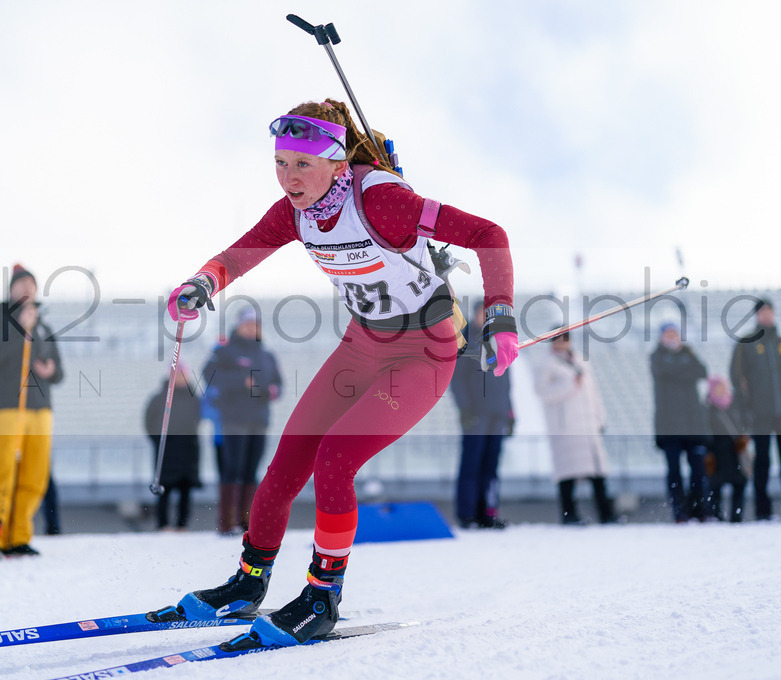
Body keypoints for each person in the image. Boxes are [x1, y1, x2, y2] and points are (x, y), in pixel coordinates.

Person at [147, 99, 517, 649]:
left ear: (337, 163)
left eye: (302, 164)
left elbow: (490, 234)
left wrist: (502, 316)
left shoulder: (385, 201)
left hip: (423, 353)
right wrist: (200, 285)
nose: (288, 177)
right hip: (362, 343)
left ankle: (323, 596)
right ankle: (249, 583)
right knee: (290, 457)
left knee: (336, 457)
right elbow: (239, 256)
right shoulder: (294, 212)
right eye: (280, 162)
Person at [0, 264, 64, 559]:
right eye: (21, 283)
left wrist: (50, 369)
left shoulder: (44, 325)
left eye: (31, 283)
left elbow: (59, 370)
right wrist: (19, 330)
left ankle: (18, 536)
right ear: (11, 288)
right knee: (2, 471)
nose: (26, 288)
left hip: (40, 407)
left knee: (35, 475)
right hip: (7, 405)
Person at [202, 307, 282, 534]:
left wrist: (270, 390)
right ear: (239, 325)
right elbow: (210, 376)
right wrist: (241, 381)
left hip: (259, 419)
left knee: (251, 470)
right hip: (234, 419)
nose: (251, 328)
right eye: (247, 324)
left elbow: (278, 384)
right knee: (232, 468)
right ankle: (226, 523)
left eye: (255, 324)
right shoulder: (226, 351)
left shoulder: (266, 355)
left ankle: (247, 521)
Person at [729, 298, 781, 520]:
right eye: (762, 312)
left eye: (769, 311)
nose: (767, 315)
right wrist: (746, 409)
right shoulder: (747, 343)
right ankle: (762, 511)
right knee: (762, 460)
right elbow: (738, 378)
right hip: (760, 414)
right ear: (757, 315)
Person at [534, 330, 617, 525]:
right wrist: (570, 384)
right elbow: (542, 392)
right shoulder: (547, 363)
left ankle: (606, 514)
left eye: (566, 339)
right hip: (566, 425)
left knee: (597, 474)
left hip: (587, 425)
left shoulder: (580, 360)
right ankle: (569, 515)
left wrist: (599, 418)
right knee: (567, 475)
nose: (563, 343)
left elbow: (592, 392)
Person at [449, 302, 514, 529]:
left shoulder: (498, 341)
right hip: (476, 414)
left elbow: (505, 379)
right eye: (482, 312)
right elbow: (456, 379)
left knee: (491, 466)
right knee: (472, 464)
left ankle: (488, 512)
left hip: (497, 413)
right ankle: (467, 514)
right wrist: (465, 409)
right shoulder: (465, 341)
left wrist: (510, 410)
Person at [650, 321, 710, 523]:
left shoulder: (689, 354)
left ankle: (699, 509)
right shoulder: (656, 356)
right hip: (669, 425)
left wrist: (680, 367)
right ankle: (679, 512)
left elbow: (702, 371)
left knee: (698, 470)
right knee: (674, 471)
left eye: (675, 333)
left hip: (693, 424)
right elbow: (666, 372)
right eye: (668, 334)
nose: (672, 337)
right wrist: (683, 368)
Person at [144, 362, 202, 531]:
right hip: (167, 449)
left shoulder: (193, 398)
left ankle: (182, 524)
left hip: (188, 448)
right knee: (164, 487)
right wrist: (158, 439)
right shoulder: (160, 397)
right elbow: (149, 420)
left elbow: (198, 418)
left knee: (186, 488)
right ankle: (163, 524)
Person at [703, 376, 749, 523]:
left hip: (734, 453)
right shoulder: (707, 410)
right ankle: (716, 516)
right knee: (715, 486)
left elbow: (744, 424)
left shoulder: (734, 406)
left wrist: (744, 438)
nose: (722, 391)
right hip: (716, 454)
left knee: (739, 483)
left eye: (724, 387)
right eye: (719, 388)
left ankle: (737, 516)